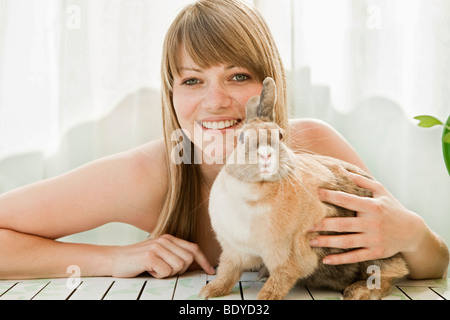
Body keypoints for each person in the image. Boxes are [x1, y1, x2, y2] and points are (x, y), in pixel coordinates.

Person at [0, 0, 448, 281]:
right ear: (172, 95)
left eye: (238, 76)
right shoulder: (149, 173)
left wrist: (410, 233)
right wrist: (112, 258)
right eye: (193, 80)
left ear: (268, 88)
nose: (215, 102)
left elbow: (425, 264)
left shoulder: (314, 147)